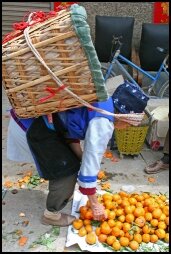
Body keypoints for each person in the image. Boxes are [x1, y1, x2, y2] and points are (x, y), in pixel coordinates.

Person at [7, 97, 114, 226]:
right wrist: (95, 204)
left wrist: (82, 162)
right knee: (67, 172)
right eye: (129, 124)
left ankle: (60, 194)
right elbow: (92, 156)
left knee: (69, 163)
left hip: (37, 123)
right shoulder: (103, 122)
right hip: (33, 128)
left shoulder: (106, 103)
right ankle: (51, 216)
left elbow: (71, 135)